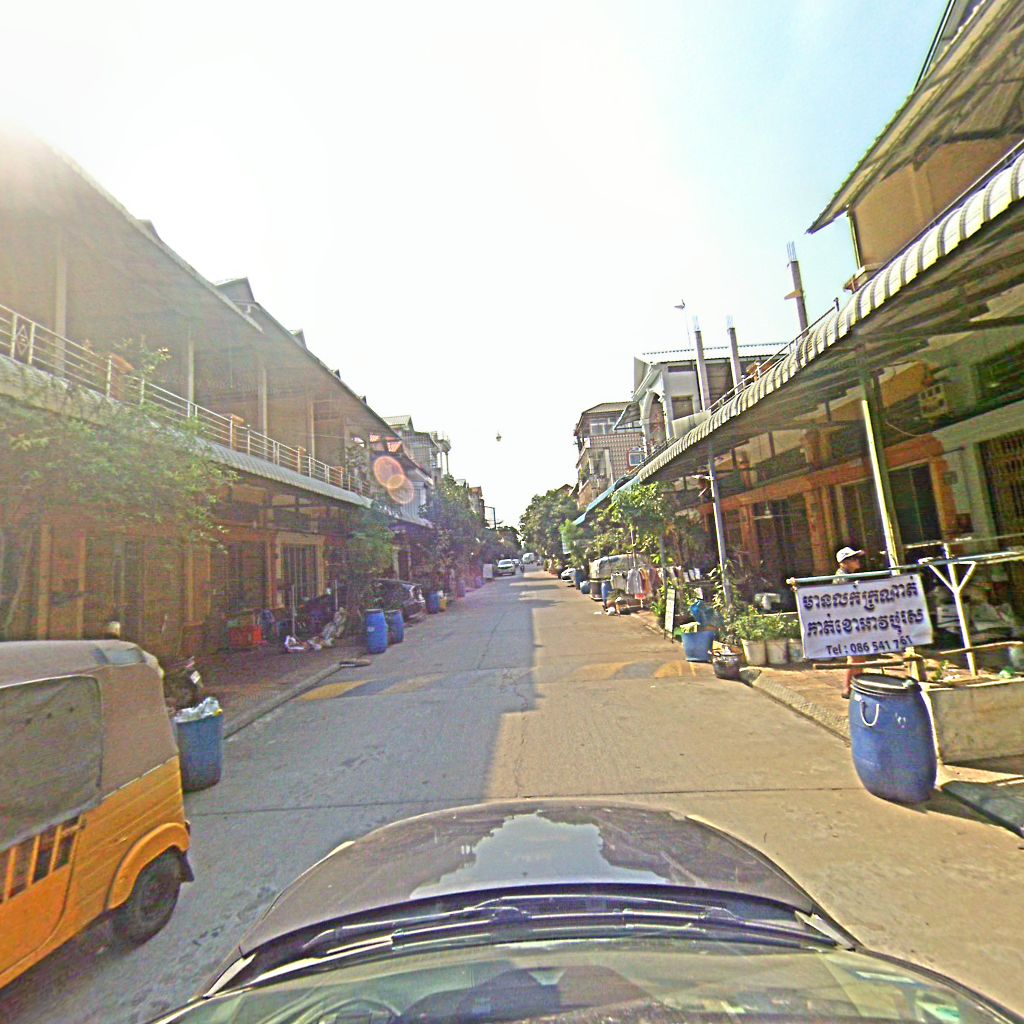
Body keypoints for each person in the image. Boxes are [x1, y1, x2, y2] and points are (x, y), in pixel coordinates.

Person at [834, 546, 865, 699]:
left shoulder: (848, 577)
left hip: (853, 620)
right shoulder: (843, 579)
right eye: (853, 559)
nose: (857, 561)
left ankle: (855, 686)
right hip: (848, 621)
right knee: (855, 656)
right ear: (844, 562)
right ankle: (848, 688)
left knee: (859, 656)